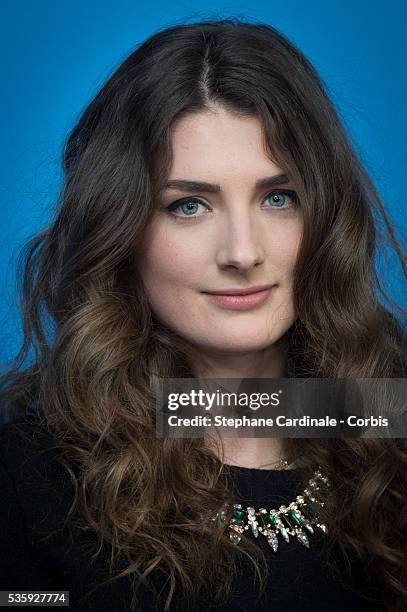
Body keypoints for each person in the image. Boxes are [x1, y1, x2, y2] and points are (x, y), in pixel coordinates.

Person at [0, 17, 406, 612]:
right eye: (188, 205)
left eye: (278, 198)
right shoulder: (28, 476)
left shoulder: (385, 419)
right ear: (123, 229)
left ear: (326, 215)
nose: (242, 252)